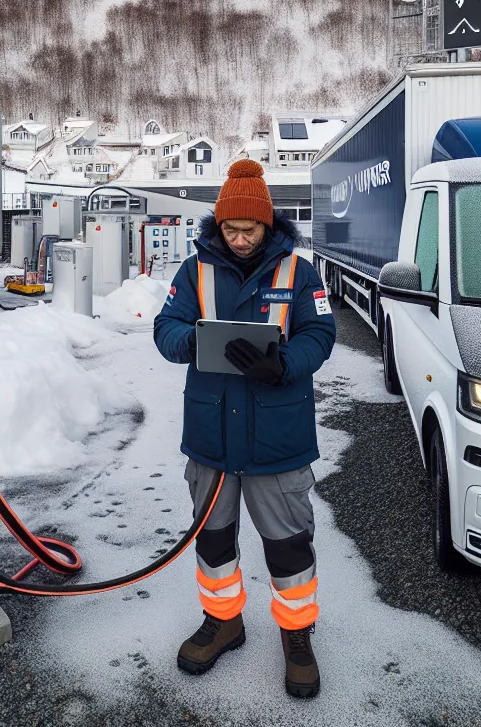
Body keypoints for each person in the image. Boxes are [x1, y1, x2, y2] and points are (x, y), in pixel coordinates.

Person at [152, 158, 337, 699]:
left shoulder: (299, 274)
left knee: (288, 545)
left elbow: (319, 335)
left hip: (277, 438)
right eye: (229, 229)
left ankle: (297, 635)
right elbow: (166, 330)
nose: (237, 239)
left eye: (248, 229)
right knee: (212, 541)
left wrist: (282, 364)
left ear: (268, 225)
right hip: (212, 436)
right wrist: (196, 342)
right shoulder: (192, 272)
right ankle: (223, 621)